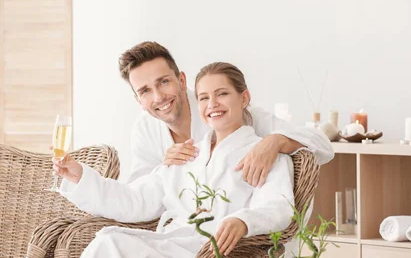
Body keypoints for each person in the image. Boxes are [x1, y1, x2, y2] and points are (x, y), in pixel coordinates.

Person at [56, 62, 297, 258]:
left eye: (222, 94)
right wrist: (82, 177)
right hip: (169, 252)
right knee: (103, 253)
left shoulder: (264, 154)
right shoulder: (189, 153)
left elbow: (279, 206)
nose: (212, 104)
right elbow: (136, 199)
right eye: (204, 97)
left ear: (244, 97)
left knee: (111, 249)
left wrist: (243, 220)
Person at [120, 41, 333, 186]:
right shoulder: (145, 129)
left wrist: (276, 141)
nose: (158, 97)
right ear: (138, 100)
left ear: (182, 81)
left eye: (164, 82)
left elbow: (323, 146)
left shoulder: (221, 111)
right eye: (145, 91)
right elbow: (139, 192)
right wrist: (164, 169)